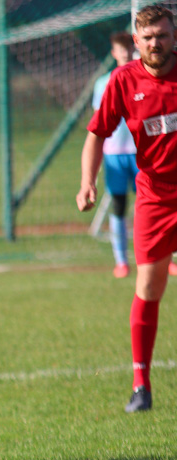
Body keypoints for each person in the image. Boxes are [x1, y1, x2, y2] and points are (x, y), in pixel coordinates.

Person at [76, 4, 177, 413]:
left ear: (174, 37)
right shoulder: (123, 81)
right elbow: (96, 134)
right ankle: (141, 384)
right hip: (154, 197)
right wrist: (87, 181)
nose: (156, 43)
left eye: (163, 35)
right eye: (148, 37)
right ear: (136, 42)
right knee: (149, 288)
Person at [92, 32, 139, 278]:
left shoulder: (143, 77)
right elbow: (96, 126)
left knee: (147, 207)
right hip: (114, 154)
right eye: (121, 49)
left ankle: (156, 257)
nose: (126, 53)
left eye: (129, 48)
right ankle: (121, 261)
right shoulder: (103, 83)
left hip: (141, 153)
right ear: (113, 53)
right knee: (119, 205)